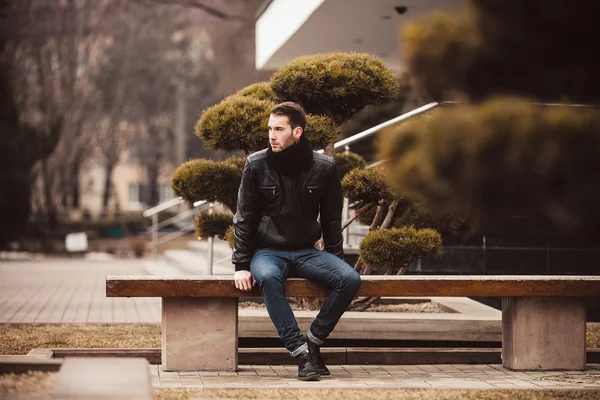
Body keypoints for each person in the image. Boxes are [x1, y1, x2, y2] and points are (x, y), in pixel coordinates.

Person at [232, 101, 362, 381]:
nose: (272, 135)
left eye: (279, 129)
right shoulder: (256, 165)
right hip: (267, 252)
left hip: (306, 251)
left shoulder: (324, 167)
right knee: (267, 277)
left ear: (298, 132)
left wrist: (335, 260)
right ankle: (301, 353)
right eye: (270, 129)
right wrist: (241, 264)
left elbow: (331, 219)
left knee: (349, 278)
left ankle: (313, 342)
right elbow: (244, 218)